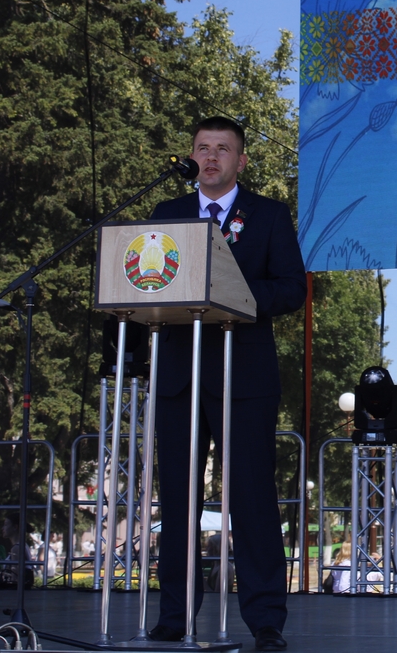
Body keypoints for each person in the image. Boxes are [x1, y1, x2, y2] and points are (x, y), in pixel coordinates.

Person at [148, 117, 306, 652]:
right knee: (177, 500)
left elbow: (291, 288)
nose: (211, 157)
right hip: (179, 374)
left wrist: (230, 292)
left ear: (241, 160)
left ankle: (265, 620)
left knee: (252, 498)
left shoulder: (268, 214)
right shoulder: (166, 215)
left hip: (245, 376)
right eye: (202, 148)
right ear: (191, 156)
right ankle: (175, 614)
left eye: (222, 149)